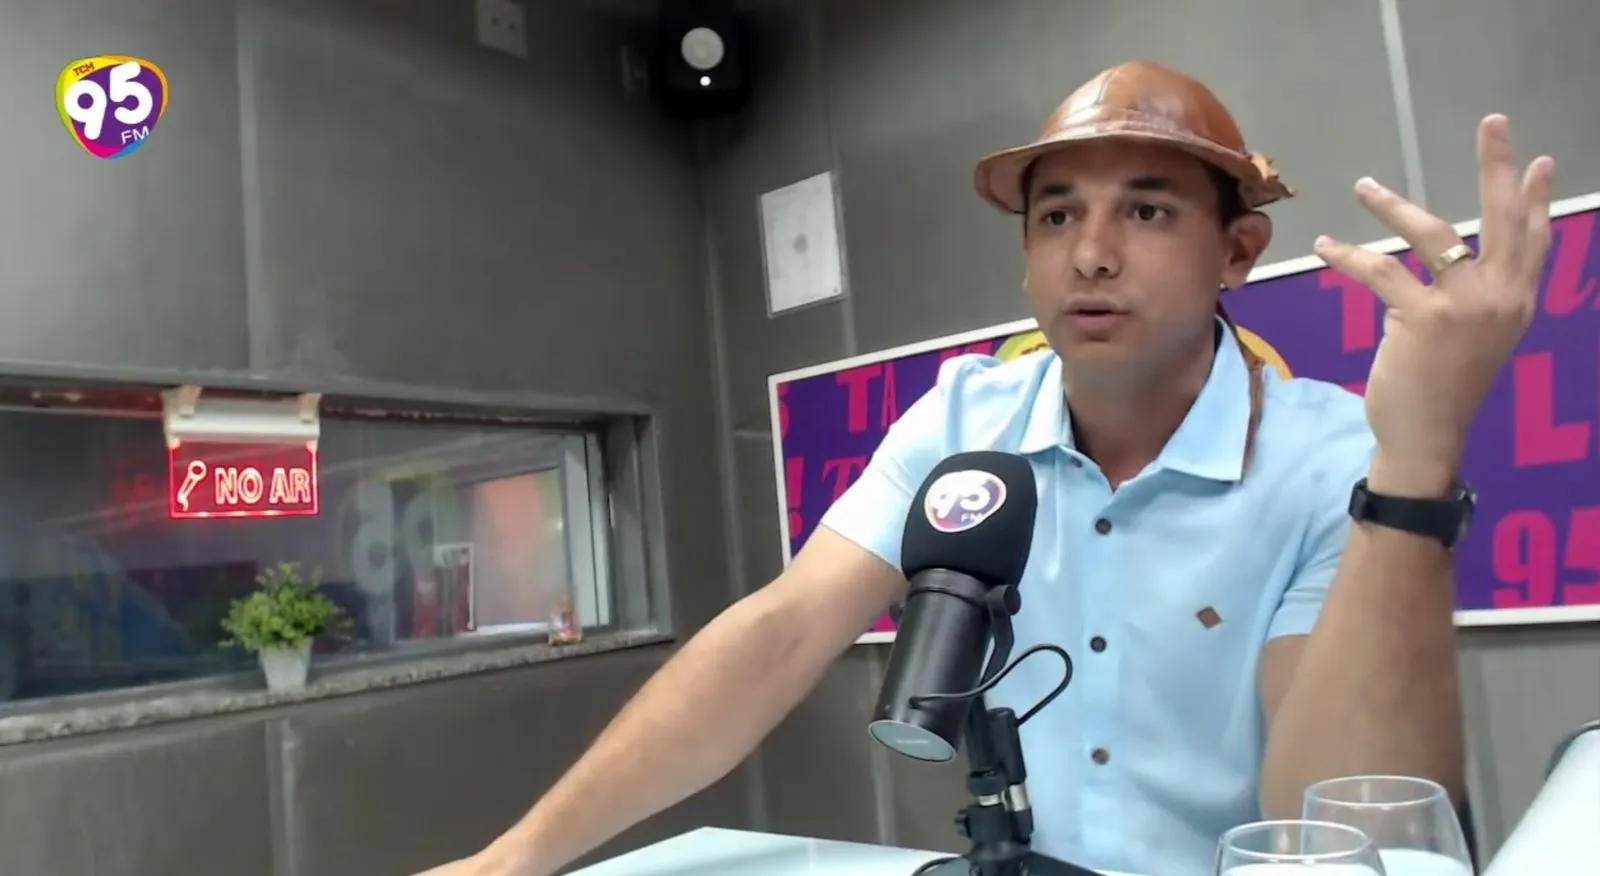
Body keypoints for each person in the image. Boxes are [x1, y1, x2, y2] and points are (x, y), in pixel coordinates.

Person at [416, 60, 1555, 876]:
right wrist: (511, 860)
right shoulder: (964, 418)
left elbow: (1328, 826)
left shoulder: (1328, 454)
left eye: (1146, 210)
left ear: (1237, 251)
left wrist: (1415, 463)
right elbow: (776, 638)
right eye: (1055, 217)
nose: (1090, 253)